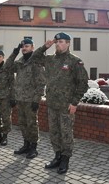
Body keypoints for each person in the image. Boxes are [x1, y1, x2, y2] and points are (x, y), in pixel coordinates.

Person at [32, 32, 89, 174]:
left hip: (66, 106)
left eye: (61, 41)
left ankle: (65, 160)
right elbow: (34, 59)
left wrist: (75, 102)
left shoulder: (75, 61)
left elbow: (83, 83)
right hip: (52, 104)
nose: (58, 44)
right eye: (57, 42)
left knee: (66, 133)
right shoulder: (50, 59)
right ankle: (57, 156)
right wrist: (44, 47)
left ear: (68, 43)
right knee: (54, 132)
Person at [6, 38, 45, 159]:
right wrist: (15, 52)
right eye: (23, 46)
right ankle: (26, 144)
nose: (24, 48)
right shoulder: (20, 62)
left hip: (31, 99)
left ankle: (33, 148)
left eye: (27, 46)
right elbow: (8, 66)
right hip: (20, 98)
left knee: (32, 124)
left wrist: (36, 99)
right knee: (22, 123)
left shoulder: (36, 62)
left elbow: (41, 82)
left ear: (33, 47)